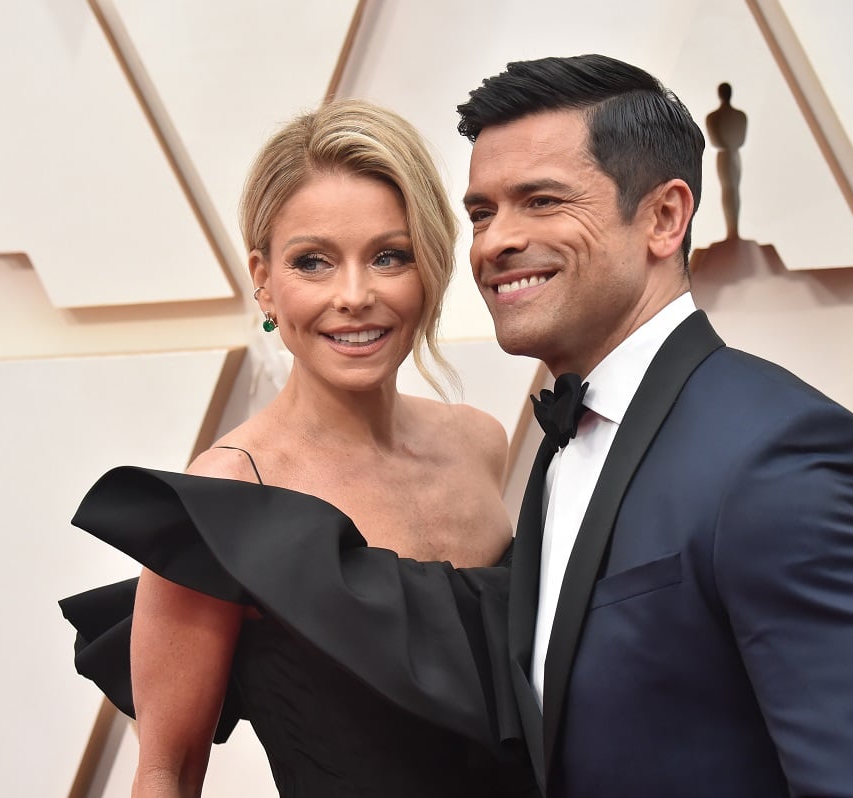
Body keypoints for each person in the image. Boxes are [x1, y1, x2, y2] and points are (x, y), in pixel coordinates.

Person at [457, 54, 853, 797]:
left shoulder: (784, 456)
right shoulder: (562, 443)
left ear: (664, 217)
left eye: (541, 200)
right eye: (481, 212)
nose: (494, 241)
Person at [60, 99, 536, 797]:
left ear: (428, 267)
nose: (354, 295)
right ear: (264, 279)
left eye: (388, 256)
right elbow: (168, 770)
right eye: (313, 262)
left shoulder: (480, 442)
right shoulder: (226, 501)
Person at [706, 81, 747, 239]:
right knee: (730, 190)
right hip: (730, 154)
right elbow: (736, 139)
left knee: (731, 190)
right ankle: (732, 230)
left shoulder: (714, 117)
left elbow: (717, 140)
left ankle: (733, 230)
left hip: (727, 155)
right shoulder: (739, 116)